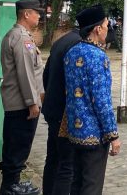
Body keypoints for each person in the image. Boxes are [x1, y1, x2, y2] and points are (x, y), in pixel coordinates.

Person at [63, 4, 121, 195]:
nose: (107, 30)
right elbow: (102, 100)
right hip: (94, 135)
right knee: (92, 186)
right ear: (97, 29)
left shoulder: (71, 53)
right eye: (106, 26)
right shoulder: (98, 57)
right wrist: (113, 135)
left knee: (76, 182)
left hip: (74, 131)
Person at [0, 0, 44, 195]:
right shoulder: (21, 38)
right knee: (17, 149)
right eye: (36, 12)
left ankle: (12, 185)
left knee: (16, 148)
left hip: (18, 103)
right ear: (26, 14)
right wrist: (32, 102)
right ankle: (10, 187)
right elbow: (25, 73)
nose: (39, 16)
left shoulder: (19, 35)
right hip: (21, 105)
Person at [42, 26, 81, 195]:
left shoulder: (61, 41)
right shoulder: (78, 44)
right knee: (67, 166)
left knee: (52, 159)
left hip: (53, 109)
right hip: (65, 113)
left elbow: (46, 75)